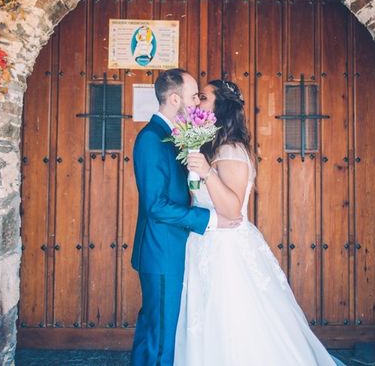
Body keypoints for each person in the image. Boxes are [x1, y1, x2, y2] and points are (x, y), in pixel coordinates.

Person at [175, 79, 340, 365]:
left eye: (204, 98)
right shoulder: (211, 149)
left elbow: (232, 209)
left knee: (232, 322)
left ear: (221, 108)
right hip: (204, 246)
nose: (198, 103)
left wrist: (206, 173)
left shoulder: (232, 152)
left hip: (227, 253)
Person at [130, 69, 240, 366]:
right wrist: (209, 220)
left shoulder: (170, 135)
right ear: (175, 98)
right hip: (162, 250)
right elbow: (156, 206)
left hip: (169, 249)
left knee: (155, 331)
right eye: (193, 96)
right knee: (162, 338)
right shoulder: (152, 138)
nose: (196, 104)